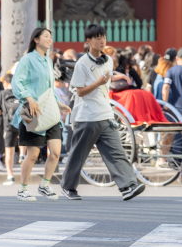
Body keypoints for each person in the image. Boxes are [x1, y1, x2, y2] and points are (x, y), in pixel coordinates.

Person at [60, 24, 145, 201]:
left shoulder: (108, 60)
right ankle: (68, 187)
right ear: (88, 41)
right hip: (87, 116)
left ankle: (128, 185)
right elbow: (80, 91)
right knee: (78, 154)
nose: (101, 40)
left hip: (106, 114)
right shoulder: (82, 63)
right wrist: (98, 83)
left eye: (103, 37)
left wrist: (116, 77)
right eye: (97, 38)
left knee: (117, 151)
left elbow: (106, 79)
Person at [12, 27, 72, 202]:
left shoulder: (48, 61)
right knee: (32, 154)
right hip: (33, 112)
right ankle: (23, 189)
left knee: (55, 152)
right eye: (46, 36)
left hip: (50, 111)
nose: (49, 39)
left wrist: (60, 104)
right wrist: (29, 98)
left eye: (50, 36)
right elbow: (17, 83)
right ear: (36, 39)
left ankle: (44, 185)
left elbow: (48, 89)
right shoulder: (28, 59)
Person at [0, 73, 25, 185]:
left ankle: (10, 176)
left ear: (5, 83)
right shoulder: (20, 93)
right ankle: (22, 154)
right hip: (22, 123)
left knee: (9, 151)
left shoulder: (2, 94)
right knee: (22, 139)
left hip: (8, 125)